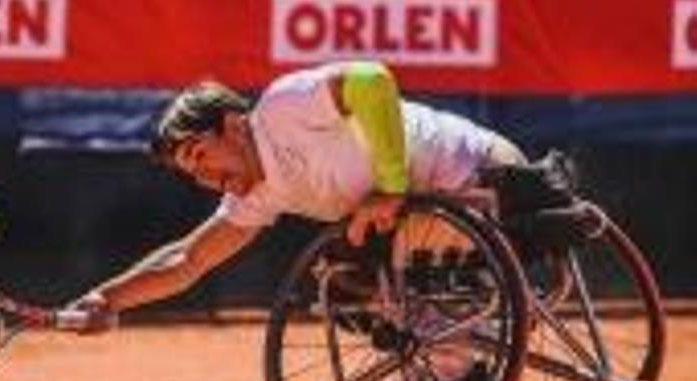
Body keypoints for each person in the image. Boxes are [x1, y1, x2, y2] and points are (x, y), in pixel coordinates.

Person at [65, 60, 529, 318]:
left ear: (232, 125)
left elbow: (373, 81)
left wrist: (390, 187)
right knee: (344, 286)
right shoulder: (256, 193)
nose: (204, 179)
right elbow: (188, 260)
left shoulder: (282, 107)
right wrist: (107, 299)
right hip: (435, 221)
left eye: (201, 156)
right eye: (192, 174)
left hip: (484, 176)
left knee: (361, 268)